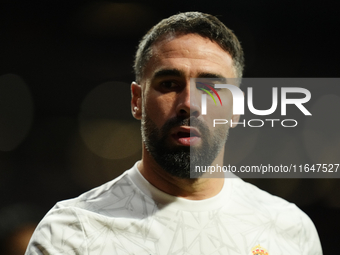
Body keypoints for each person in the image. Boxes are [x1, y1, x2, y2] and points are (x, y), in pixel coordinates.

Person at [25, 12, 322, 255]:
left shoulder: (289, 229)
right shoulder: (72, 233)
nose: (189, 104)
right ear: (137, 101)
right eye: (169, 84)